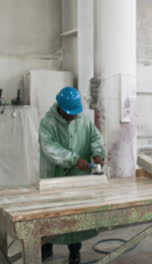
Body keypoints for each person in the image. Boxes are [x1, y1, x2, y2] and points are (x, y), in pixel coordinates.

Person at [39, 86, 106, 264]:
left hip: (78, 178)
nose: (73, 116)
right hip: (54, 177)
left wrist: (98, 153)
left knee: (75, 216)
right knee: (50, 216)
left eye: (75, 113)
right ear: (60, 108)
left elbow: (95, 138)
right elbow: (50, 149)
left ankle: (75, 252)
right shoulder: (48, 122)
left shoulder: (82, 120)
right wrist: (75, 160)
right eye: (70, 113)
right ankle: (45, 247)